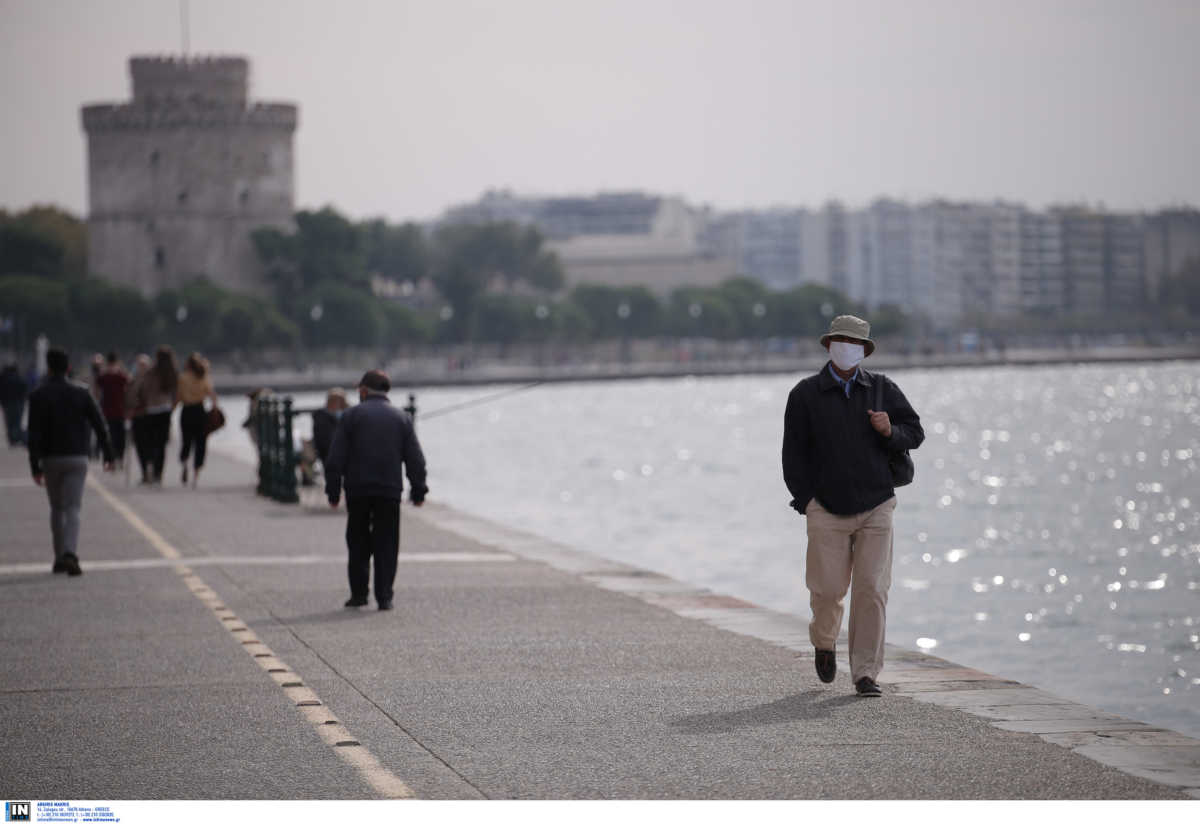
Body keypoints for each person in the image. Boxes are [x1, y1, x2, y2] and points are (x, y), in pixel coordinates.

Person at [782, 315, 924, 698]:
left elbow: (916, 432)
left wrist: (889, 430)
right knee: (827, 590)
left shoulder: (882, 390)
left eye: (855, 342)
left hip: (877, 504)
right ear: (829, 344)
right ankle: (824, 641)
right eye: (841, 339)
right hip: (825, 508)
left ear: (864, 350)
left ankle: (865, 673)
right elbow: (792, 456)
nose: (848, 346)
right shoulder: (805, 395)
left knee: (872, 589)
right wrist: (807, 501)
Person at [325, 370, 428, 611]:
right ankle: (385, 597)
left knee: (357, 541)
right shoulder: (401, 418)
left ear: (362, 391)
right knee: (387, 543)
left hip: (358, 490)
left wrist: (333, 491)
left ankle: (359, 594)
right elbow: (415, 460)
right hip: (389, 490)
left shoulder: (350, 416)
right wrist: (419, 491)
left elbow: (335, 458)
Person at [27, 347, 114, 576]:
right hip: (77, 456)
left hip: (51, 458)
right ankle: (71, 553)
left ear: (48, 367)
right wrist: (108, 453)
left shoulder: (38, 395)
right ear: (68, 367)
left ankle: (58, 558)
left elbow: (33, 433)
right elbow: (100, 424)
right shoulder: (82, 392)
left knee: (57, 508)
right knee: (74, 507)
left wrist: (34, 465)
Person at [177, 352, 220, 487]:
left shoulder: (182, 377)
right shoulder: (203, 376)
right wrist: (215, 409)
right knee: (200, 443)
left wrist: (171, 410)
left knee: (186, 440)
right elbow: (212, 395)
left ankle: (184, 462)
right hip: (200, 411)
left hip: (186, 411)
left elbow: (178, 397)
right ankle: (196, 475)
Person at [137, 346, 178, 484]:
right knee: (162, 444)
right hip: (165, 410)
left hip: (151, 410)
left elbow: (143, 390)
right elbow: (176, 394)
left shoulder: (152, 372)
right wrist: (172, 407)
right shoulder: (172, 372)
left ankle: (150, 465)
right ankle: (158, 473)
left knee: (150, 441)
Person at [95, 352, 130, 467]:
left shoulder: (104, 375)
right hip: (119, 409)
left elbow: (97, 388)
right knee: (120, 436)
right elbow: (129, 383)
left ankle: (114, 458)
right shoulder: (120, 375)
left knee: (111, 435)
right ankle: (118, 457)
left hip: (108, 409)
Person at [125, 354, 153, 483]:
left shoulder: (153, 380)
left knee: (150, 445)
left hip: (149, 416)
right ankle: (145, 471)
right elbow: (128, 397)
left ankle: (150, 469)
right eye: (139, 365)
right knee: (140, 445)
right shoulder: (133, 380)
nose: (141, 367)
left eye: (143, 365)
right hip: (137, 416)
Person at [0, 362, 28, 446]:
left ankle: (13, 439)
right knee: (17, 422)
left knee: (9, 422)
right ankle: (17, 438)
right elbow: (24, 389)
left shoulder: (3, 379)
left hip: (7, 404)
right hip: (18, 403)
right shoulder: (19, 378)